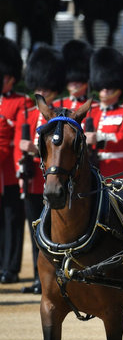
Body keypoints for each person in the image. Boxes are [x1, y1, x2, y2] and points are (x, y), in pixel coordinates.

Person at [15, 44, 66, 294]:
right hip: (32, 179)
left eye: (45, 88)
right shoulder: (27, 112)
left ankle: (55, 276)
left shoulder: (61, 112)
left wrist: (34, 149)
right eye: (38, 88)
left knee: (54, 231)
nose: (40, 92)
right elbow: (17, 144)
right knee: (35, 229)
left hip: (52, 179)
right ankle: (38, 277)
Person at [0, 37, 32, 286]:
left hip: (10, 172)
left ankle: (10, 267)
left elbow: (22, 134)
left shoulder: (22, 101)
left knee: (12, 219)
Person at [87, 47, 123, 179]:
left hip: (119, 170)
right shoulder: (91, 111)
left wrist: (99, 138)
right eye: (102, 86)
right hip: (93, 169)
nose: (104, 90)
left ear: (118, 90)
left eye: (109, 87)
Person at [55, 39, 93, 112]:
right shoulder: (56, 106)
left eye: (79, 81)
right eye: (71, 81)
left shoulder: (94, 107)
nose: (74, 84)